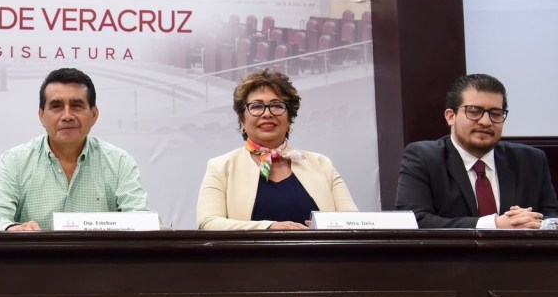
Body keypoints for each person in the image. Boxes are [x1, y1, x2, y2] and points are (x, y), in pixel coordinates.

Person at [0, 67, 151, 231]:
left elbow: (142, 219)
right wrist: (13, 229)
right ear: (42, 116)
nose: (67, 116)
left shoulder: (119, 162)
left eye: (77, 105)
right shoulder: (14, 161)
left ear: (94, 115)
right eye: (57, 106)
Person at [197, 68, 356, 230]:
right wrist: (270, 228)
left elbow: (353, 222)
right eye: (257, 106)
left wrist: (323, 228)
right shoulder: (221, 167)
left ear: (289, 119)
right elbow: (208, 223)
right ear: (242, 121)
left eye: (276, 105)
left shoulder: (322, 164)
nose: (267, 113)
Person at [396, 73, 558, 228]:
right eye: (474, 111)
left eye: (496, 113)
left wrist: (533, 222)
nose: (486, 122)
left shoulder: (530, 160)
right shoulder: (423, 158)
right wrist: (494, 225)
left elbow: (553, 217)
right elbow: (415, 221)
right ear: (451, 116)